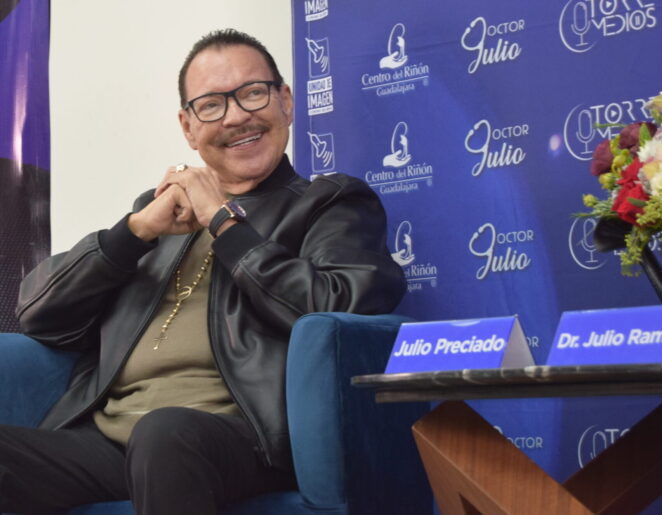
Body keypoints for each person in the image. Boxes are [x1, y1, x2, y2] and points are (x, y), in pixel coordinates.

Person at [0, 29, 406, 514]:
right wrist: (133, 231)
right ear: (188, 127)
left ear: (285, 102)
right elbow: (39, 316)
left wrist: (224, 222)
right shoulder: (158, 217)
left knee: (165, 434)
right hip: (110, 442)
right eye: (212, 105)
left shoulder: (329, 203)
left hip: (243, 438)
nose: (236, 116)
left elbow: (337, 305)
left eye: (253, 93)